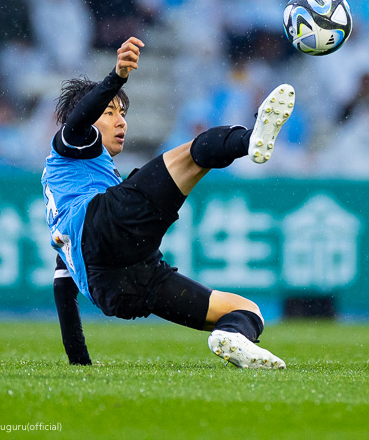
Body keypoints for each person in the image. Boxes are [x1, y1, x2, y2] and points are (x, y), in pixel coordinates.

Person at [43, 37, 294, 369]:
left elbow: (64, 288)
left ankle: (232, 335)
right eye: (109, 112)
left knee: (245, 309)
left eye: (122, 114)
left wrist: (80, 363)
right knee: (192, 154)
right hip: (109, 227)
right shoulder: (71, 143)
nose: (121, 122)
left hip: (117, 286)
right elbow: (78, 120)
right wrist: (117, 77)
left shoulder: (65, 204)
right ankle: (251, 138)